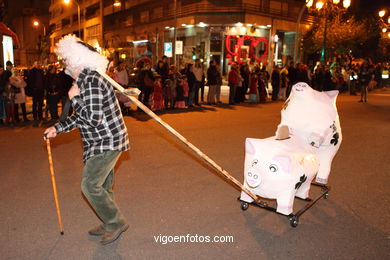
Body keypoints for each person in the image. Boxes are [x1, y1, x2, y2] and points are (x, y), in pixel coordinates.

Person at [43, 35, 129, 245]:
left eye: (66, 60)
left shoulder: (90, 80)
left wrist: (74, 98)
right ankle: (109, 222)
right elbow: (82, 117)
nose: (64, 65)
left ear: (76, 60)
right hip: (104, 141)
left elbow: (92, 118)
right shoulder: (86, 79)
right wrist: (57, 128)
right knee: (104, 187)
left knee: (90, 185)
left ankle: (115, 222)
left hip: (106, 142)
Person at [28, 61, 45, 127]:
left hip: (41, 90)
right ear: (35, 65)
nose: (39, 65)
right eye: (37, 64)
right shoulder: (32, 71)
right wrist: (33, 88)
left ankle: (40, 116)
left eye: (39, 64)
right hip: (35, 90)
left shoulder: (41, 71)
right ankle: (35, 116)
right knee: (35, 104)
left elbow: (43, 80)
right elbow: (30, 81)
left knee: (40, 104)